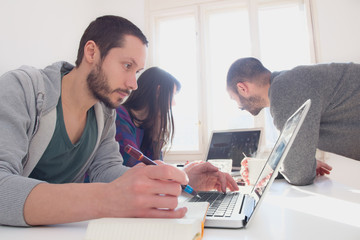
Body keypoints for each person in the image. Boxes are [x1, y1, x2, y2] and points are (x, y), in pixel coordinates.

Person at [0, 15, 237, 227]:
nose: (134, 84)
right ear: (91, 52)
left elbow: (108, 171)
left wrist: (174, 182)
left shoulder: (104, 112)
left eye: (137, 72)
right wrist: (105, 199)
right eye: (127, 66)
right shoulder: (22, 89)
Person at [226, 57, 360, 186]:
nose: (239, 107)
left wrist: (302, 164)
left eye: (234, 99)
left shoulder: (283, 90)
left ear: (242, 88)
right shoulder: (288, 85)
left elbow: (299, 174)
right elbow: (297, 163)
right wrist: (303, 163)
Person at [115, 67, 239, 192]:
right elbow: (138, 171)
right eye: (172, 95)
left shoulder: (150, 126)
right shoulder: (119, 117)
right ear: (158, 92)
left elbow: (157, 169)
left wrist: (185, 173)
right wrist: (184, 174)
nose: (173, 103)